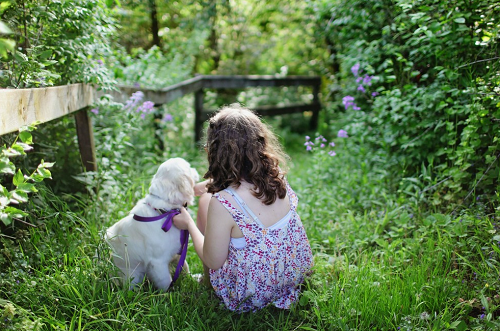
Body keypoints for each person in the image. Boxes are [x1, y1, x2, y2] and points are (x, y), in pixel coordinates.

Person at [173, 104, 313, 312]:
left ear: (213, 151)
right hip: (292, 276)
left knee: (205, 202)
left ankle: (208, 282)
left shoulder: (223, 203)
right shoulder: (277, 179)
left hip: (251, 293)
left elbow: (214, 261)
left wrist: (190, 225)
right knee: (207, 199)